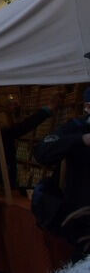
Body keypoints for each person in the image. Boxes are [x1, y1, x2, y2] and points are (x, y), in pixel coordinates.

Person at [33, 86, 90, 257]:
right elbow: (42, 152)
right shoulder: (75, 128)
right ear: (88, 107)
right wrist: (80, 140)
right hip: (84, 221)